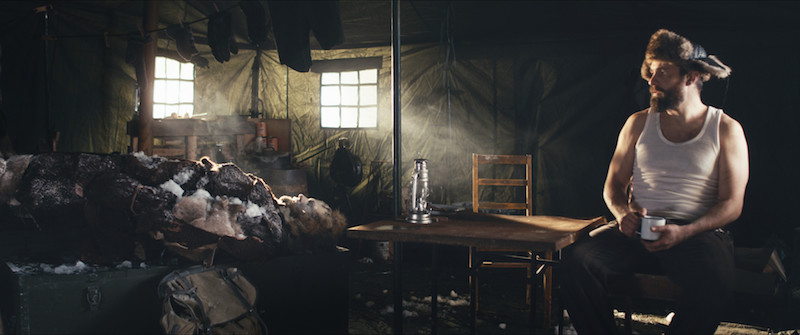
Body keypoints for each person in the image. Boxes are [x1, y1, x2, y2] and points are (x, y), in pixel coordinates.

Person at [561, 29, 749, 334]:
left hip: (695, 234)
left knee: (717, 279)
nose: (651, 80)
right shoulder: (637, 123)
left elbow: (732, 204)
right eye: (651, 70)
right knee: (576, 262)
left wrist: (685, 231)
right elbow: (613, 185)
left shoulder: (726, 129)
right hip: (638, 229)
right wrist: (623, 215)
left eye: (662, 71)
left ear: (691, 76)